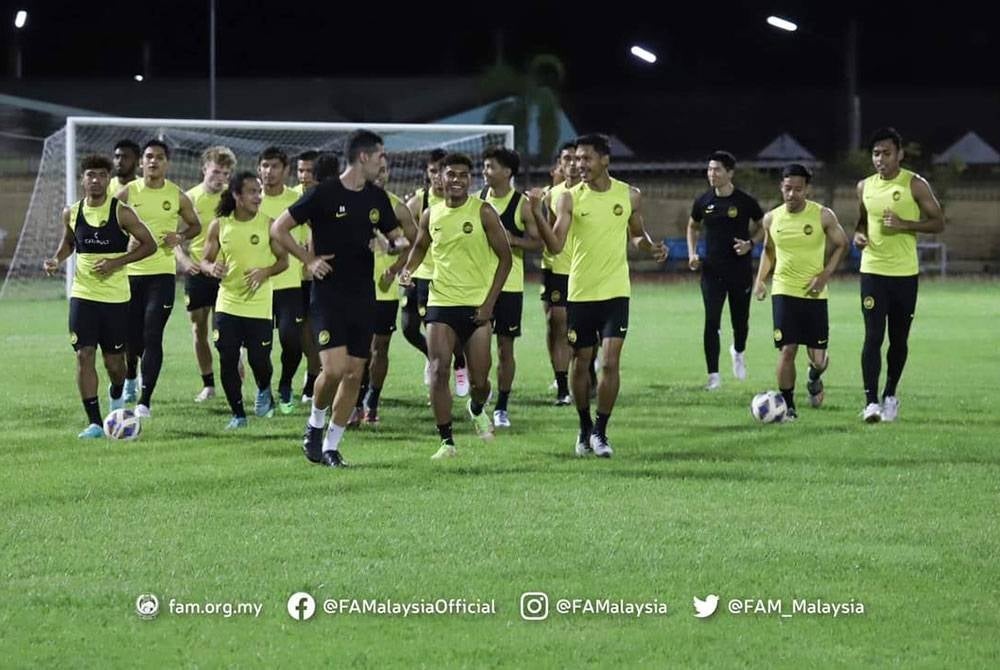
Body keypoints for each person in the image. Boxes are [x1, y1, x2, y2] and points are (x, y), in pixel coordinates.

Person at [272, 130, 405, 468]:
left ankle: (331, 446)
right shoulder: (324, 193)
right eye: (380, 156)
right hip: (329, 294)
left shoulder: (377, 197)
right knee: (332, 370)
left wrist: (397, 245)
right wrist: (308, 261)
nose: (383, 163)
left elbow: (395, 235)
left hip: (364, 295)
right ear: (364, 157)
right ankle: (314, 426)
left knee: (354, 374)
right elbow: (279, 228)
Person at [534, 133, 668, 457]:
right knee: (581, 363)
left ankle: (601, 431)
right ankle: (583, 427)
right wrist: (537, 213)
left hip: (616, 291)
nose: (580, 165)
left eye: (586, 158)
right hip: (580, 292)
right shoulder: (568, 198)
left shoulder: (629, 195)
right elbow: (555, 245)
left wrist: (650, 247)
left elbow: (636, 235)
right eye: (577, 159)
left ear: (604, 160)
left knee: (609, 362)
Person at [399, 153, 512, 459]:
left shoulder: (484, 212)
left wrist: (489, 303)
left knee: (479, 381)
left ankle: (476, 407)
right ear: (441, 178)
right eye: (451, 174)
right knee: (438, 370)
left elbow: (506, 258)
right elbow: (421, 245)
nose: (457, 180)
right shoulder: (430, 214)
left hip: (477, 306)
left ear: (470, 179)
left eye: (463, 175)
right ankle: (446, 441)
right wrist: (408, 269)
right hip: (441, 301)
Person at [43, 155, 156, 437]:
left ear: (109, 179)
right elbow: (69, 242)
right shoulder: (72, 212)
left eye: (102, 175)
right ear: (83, 179)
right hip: (83, 296)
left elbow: (150, 245)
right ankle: (94, 422)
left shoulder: (121, 212)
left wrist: (117, 262)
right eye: (90, 174)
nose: (96, 180)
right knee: (84, 355)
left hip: (116, 300)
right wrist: (56, 260)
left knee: (115, 364)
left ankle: (116, 396)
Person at [855, 128, 945, 423]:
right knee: (872, 337)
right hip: (872, 272)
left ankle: (890, 393)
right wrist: (859, 235)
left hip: (905, 275)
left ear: (900, 154)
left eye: (887, 153)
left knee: (898, 339)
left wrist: (905, 223)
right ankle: (870, 402)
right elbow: (862, 220)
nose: (881, 159)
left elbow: (938, 223)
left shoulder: (915, 184)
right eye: (876, 153)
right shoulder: (864, 186)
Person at [753, 164, 849, 421]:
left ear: (807, 189)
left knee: (818, 359)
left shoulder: (822, 215)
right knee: (787, 349)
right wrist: (760, 280)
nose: (792, 194)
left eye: (798, 189)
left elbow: (842, 244)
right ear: (781, 188)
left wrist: (824, 275)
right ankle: (787, 404)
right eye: (788, 188)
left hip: (814, 293)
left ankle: (814, 377)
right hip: (783, 289)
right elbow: (768, 250)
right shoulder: (771, 218)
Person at [116, 139, 202, 418]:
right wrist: (123, 241)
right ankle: (130, 376)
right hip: (131, 275)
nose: (154, 161)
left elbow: (196, 224)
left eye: (160, 157)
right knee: (131, 338)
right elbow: (108, 224)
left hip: (161, 276)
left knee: (152, 335)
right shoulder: (128, 192)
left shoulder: (176, 195)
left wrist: (181, 237)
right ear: (141, 162)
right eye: (149, 157)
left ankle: (145, 400)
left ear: (167, 163)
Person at [199, 172, 288, 428]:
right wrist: (210, 268)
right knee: (227, 357)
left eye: (259, 192)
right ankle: (238, 415)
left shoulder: (268, 225)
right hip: (228, 302)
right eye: (252, 192)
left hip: (259, 305)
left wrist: (265, 272)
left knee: (259, 360)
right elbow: (205, 260)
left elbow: (284, 261)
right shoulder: (220, 225)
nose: (258, 197)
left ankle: (263, 388)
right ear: (237, 195)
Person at [687, 150, 764, 390]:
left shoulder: (744, 201)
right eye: (709, 169)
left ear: (730, 173)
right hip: (711, 272)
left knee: (740, 322)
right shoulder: (703, 201)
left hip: (739, 271)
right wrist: (692, 253)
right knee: (711, 322)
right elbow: (692, 227)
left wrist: (750, 244)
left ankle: (738, 351)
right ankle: (713, 377)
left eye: (717, 169)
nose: (712, 174)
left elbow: (764, 226)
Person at [479, 146, 541, 428]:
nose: (485, 172)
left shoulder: (521, 204)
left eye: (491, 166)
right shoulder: (478, 201)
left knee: (505, 348)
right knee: (475, 347)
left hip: (509, 287)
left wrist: (512, 241)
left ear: (507, 172)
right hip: (478, 286)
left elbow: (538, 242)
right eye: (484, 166)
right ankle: (480, 393)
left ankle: (502, 406)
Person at [405, 149, 471, 396]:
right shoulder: (418, 203)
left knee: (443, 328)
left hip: (446, 278)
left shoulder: (463, 203)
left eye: (438, 171)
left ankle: (457, 364)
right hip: (421, 274)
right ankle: (433, 358)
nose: (436, 176)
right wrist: (406, 266)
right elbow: (413, 239)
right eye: (432, 171)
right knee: (409, 328)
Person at [174, 145, 237, 402]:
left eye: (225, 173)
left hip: (227, 274)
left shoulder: (233, 200)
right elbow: (174, 238)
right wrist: (184, 260)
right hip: (198, 272)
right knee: (199, 328)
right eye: (215, 172)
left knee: (224, 330)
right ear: (204, 169)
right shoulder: (189, 198)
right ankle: (208, 385)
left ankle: (235, 366)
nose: (220, 177)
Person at [358, 154, 416, 424]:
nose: (380, 175)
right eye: (376, 170)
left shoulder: (398, 207)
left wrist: (394, 270)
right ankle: (354, 402)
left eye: (384, 171)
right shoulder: (351, 201)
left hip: (384, 291)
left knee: (379, 348)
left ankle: (372, 399)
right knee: (357, 350)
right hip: (354, 288)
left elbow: (417, 245)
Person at [258, 147, 306, 414]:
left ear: (286, 170)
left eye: (275, 166)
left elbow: (312, 232)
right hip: (260, 286)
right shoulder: (252, 199)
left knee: (291, 341)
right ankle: (264, 390)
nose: (269, 171)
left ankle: (286, 383)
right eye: (265, 166)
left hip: (289, 283)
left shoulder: (298, 199)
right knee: (260, 348)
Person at [539, 142, 580, 405]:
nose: (574, 164)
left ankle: (585, 370)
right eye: (567, 159)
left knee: (583, 328)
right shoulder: (549, 196)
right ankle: (563, 385)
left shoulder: (596, 193)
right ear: (559, 164)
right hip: (557, 268)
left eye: (578, 158)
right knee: (557, 323)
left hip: (586, 270)